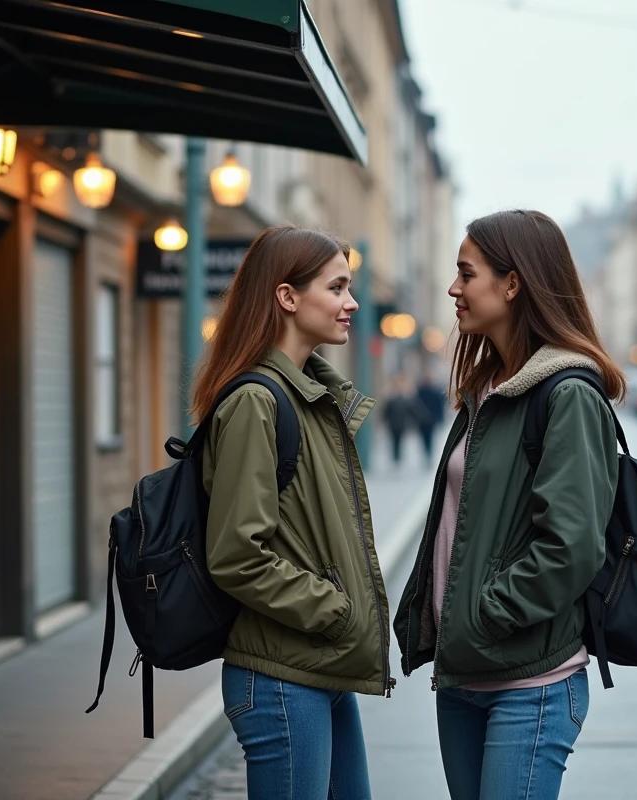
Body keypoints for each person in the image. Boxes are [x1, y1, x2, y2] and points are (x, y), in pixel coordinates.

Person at [393, 210, 622, 800]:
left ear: (512, 284)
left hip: (532, 681)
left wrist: (483, 612)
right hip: (466, 674)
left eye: (466, 274)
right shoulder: (488, 392)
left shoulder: (566, 393)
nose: (453, 289)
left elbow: (571, 547)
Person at [193, 226, 390, 800]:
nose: (351, 302)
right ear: (287, 297)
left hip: (318, 668)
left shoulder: (309, 399)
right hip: (282, 676)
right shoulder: (259, 401)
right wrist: (333, 610)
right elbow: (235, 554)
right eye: (337, 287)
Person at [383, 374, 425, 466]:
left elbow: (411, 411)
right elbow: (386, 412)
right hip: (394, 423)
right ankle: (395, 457)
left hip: (401, 423)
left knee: (399, 440)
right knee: (395, 441)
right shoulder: (392, 399)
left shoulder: (406, 398)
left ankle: (397, 457)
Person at [416, 371, 449, 461]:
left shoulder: (421, 391)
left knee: (426, 437)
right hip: (428, 419)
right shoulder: (432, 391)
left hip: (426, 419)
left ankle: (427, 452)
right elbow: (441, 404)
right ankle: (428, 452)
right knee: (428, 437)